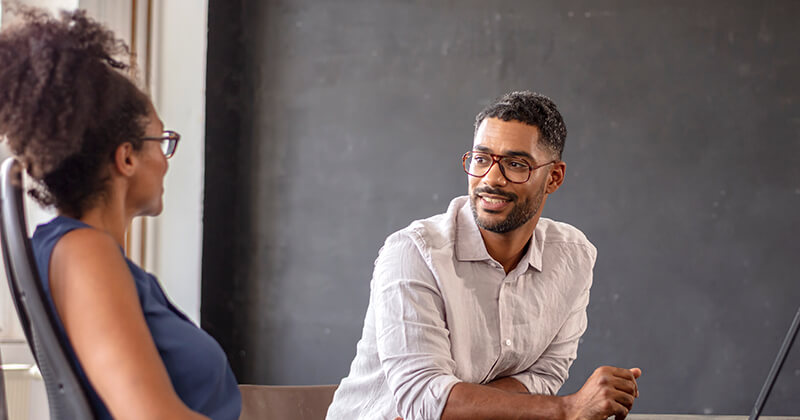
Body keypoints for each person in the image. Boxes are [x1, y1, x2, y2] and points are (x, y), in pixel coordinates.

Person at [327, 91, 642, 420]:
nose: (491, 179)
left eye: (516, 164)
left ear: (554, 177)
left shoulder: (572, 258)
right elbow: (423, 397)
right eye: (481, 159)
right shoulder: (414, 253)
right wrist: (567, 409)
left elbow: (544, 374)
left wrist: (453, 409)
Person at [0, 6, 240, 420]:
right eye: (161, 141)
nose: (166, 161)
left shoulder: (78, 252)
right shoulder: (84, 254)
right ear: (126, 157)